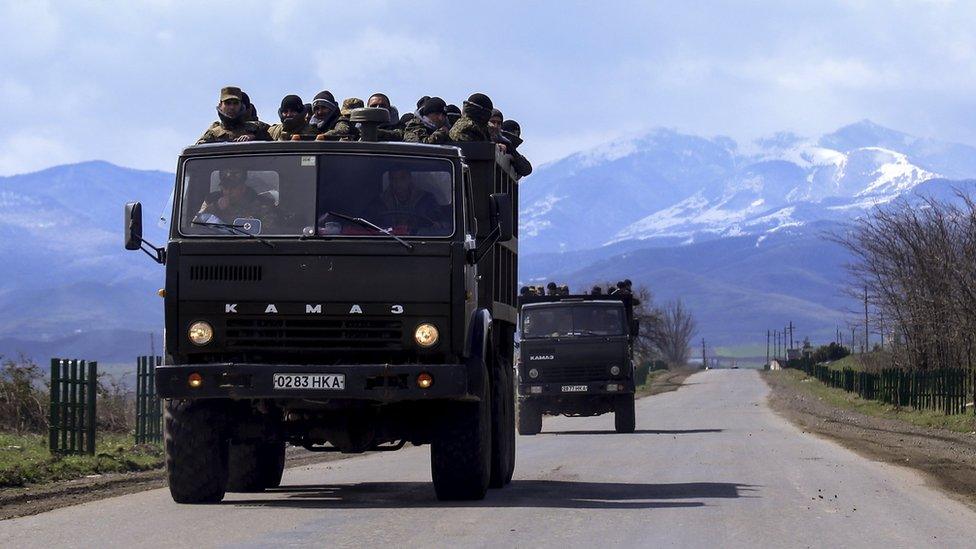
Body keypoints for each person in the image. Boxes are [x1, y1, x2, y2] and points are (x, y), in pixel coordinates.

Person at [363, 169, 447, 234]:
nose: (398, 182)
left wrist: (434, 224)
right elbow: (367, 225)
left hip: (420, 243)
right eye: (393, 178)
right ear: (390, 181)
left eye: (402, 178)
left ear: (410, 178)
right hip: (387, 243)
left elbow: (439, 223)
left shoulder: (427, 200)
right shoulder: (379, 202)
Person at [197, 168, 277, 225]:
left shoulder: (262, 205)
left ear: (243, 188)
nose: (228, 192)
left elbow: (270, 230)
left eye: (233, 188)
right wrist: (216, 207)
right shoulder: (211, 200)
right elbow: (195, 225)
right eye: (225, 187)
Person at [196, 87, 271, 144]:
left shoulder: (258, 128)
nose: (232, 107)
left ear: (241, 106)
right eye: (228, 103)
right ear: (220, 106)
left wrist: (255, 137)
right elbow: (196, 155)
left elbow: (279, 139)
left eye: (235, 103)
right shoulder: (213, 134)